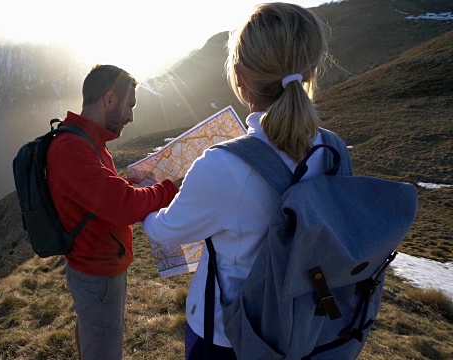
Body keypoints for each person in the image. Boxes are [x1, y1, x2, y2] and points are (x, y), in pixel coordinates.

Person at [142, 3, 331, 359]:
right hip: (307, 324)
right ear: (311, 70)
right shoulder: (331, 149)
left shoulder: (223, 165)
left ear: (240, 77)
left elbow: (166, 230)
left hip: (230, 334)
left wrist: (143, 204)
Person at [47, 64, 182, 360]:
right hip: (98, 274)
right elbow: (123, 208)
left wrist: (126, 183)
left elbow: (99, 193)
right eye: (129, 105)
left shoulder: (87, 140)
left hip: (98, 269)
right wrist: (171, 188)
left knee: (94, 339)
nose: (131, 116)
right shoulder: (73, 148)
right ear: (109, 99)